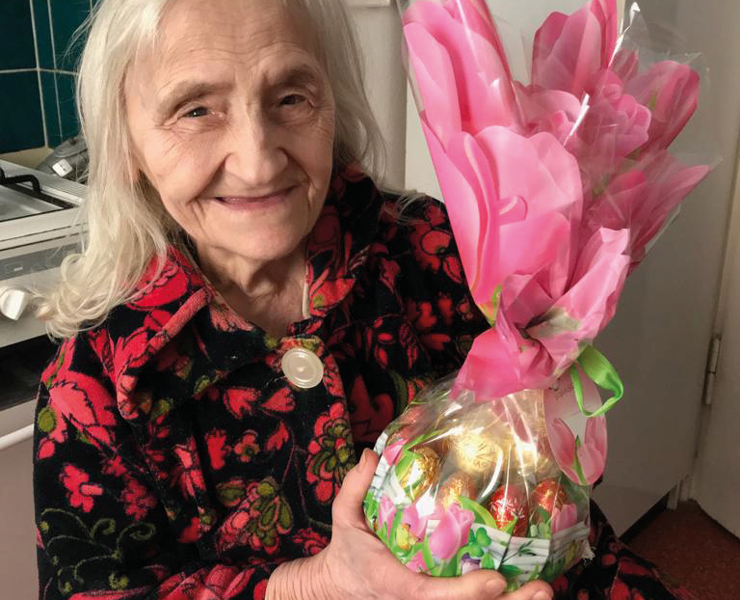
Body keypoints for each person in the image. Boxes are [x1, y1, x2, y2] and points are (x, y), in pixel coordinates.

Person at [32, 1, 697, 600]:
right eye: (196, 110)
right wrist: (312, 587)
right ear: (128, 144)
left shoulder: (441, 250)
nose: (258, 161)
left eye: (291, 97)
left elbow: (543, 486)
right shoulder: (94, 383)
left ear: (332, 104)